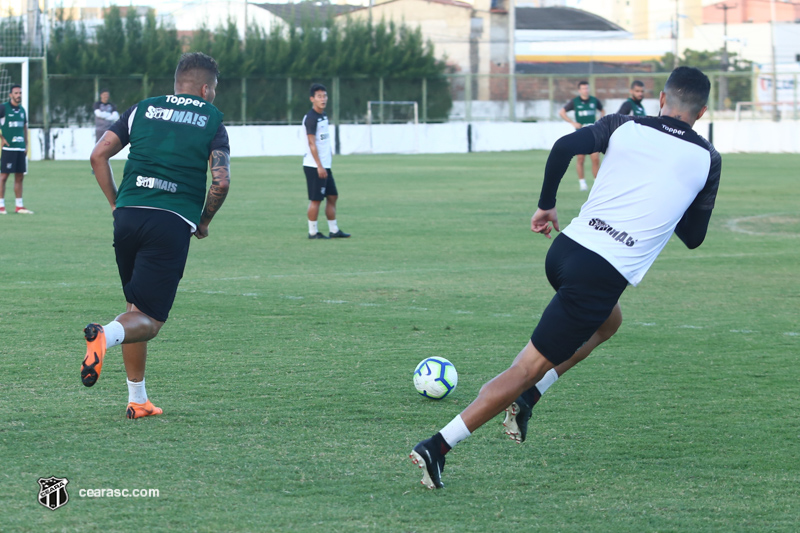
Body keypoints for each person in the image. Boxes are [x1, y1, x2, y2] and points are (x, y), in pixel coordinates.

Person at [410, 66, 721, 489]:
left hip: (565, 250)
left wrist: (546, 206)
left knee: (610, 323)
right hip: (598, 273)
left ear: (662, 100)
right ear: (702, 112)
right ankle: (438, 446)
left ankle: (530, 397)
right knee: (525, 368)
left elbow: (563, 146)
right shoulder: (707, 159)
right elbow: (694, 237)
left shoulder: (623, 124)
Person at [84, 52, 231, 419]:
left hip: (129, 216)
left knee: (136, 309)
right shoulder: (212, 119)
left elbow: (99, 155)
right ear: (205, 88)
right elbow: (221, 180)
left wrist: (118, 205)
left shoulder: (142, 109)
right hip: (170, 222)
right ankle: (104, 334)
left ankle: (138, 399)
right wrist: (205, 220)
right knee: (149, 322)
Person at [303, 83, 349, 239]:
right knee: (316, 199)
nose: (323, 99)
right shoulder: (311, 118)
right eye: (319, 96)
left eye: (325, 96)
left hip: (325, 165)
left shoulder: (323, 116)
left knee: (333, 196)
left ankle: (334, 230)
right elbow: (311, 143)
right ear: (312, 99)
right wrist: (319, 166)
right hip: (315, 166)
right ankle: (313, 232)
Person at [558, 81, 605, 191]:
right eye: (583, 89)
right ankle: (582, 183)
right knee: (580, 159)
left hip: (593, 133)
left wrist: (600, 120)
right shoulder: (575, 102)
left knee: (595, 158)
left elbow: (602, 110)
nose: (586, 90)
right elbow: (562, 112)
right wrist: (572, 122)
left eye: (587, 88)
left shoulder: (594, 100)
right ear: (579, 90)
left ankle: (596, 183)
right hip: (581, 134)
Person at [0, 84, 33, 214]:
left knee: (19, 176)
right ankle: (1, 205)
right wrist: (2, 138)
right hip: (9, 149)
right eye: (16, 93)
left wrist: (26, 143)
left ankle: (19, 205)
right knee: (3, 177)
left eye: (20, 93)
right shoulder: (3, 108)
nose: (18, 95)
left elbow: (24, 127)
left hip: (20, 149)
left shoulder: (22, 110)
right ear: (10, 95)